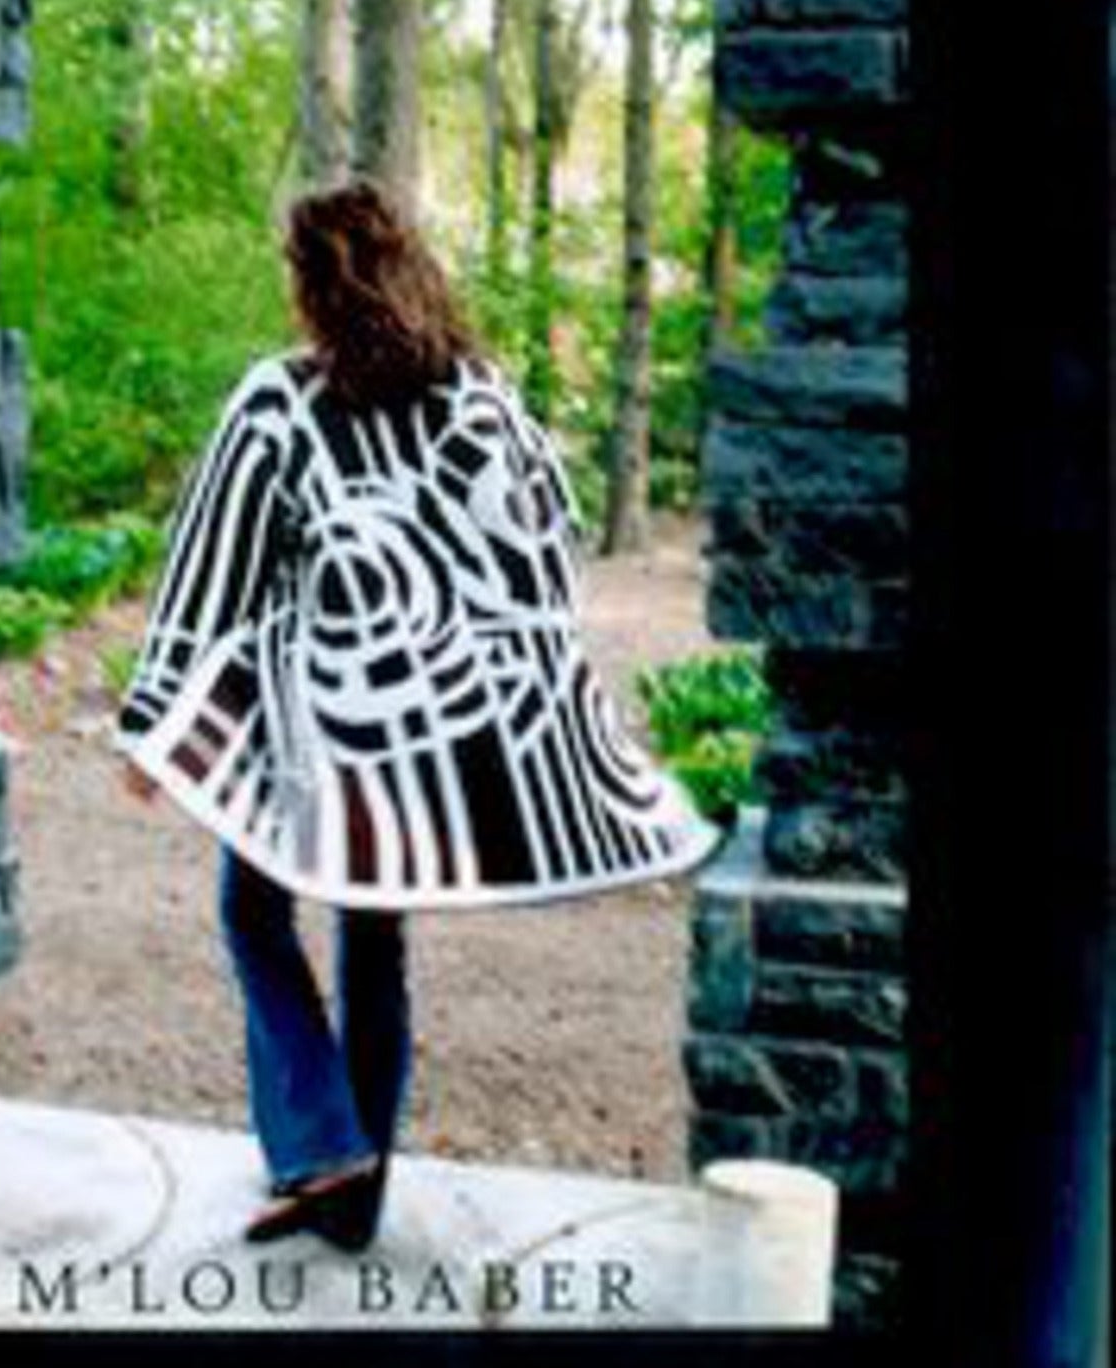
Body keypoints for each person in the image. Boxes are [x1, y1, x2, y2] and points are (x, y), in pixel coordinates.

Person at [115, 178, 722, 1251]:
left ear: (309, 281)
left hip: (310, 741)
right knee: (372, 938)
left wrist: (155, 719)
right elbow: (550, 544)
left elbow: (211, 571)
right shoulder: (483, 394)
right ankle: (354, 1183)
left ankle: (324, 1142)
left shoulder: (280, 400)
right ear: (409, 268)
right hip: (419, 751)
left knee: (254, 916)